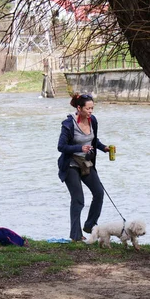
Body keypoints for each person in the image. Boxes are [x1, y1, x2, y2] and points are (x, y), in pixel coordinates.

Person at [57, 93, 110, 242]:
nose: (91, 111)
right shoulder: (68, 124)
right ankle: (76, 235)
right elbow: (61, 146)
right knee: (78, 199)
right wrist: (80, 147)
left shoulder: (93, 121)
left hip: (86, 163)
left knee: (99, 193)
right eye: (88, 108)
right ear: (79, 108)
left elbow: (93, 140)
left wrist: (103, 147)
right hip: (71, 164)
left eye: (92, 108)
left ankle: (89, 225)